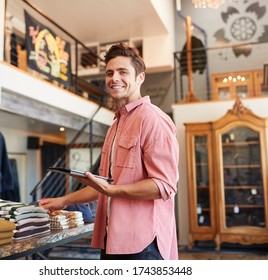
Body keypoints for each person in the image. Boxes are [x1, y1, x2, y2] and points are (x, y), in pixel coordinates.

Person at [39, 43, 179, 260]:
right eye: (110, 73)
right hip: (111, 237)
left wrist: (113, 190)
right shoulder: (115, 124)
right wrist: (63, 200)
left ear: (140, 77)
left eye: (123, 72)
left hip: (143, 243)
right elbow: (106, 185)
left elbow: (164, 186)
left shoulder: (153, 119)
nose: (114, 78)